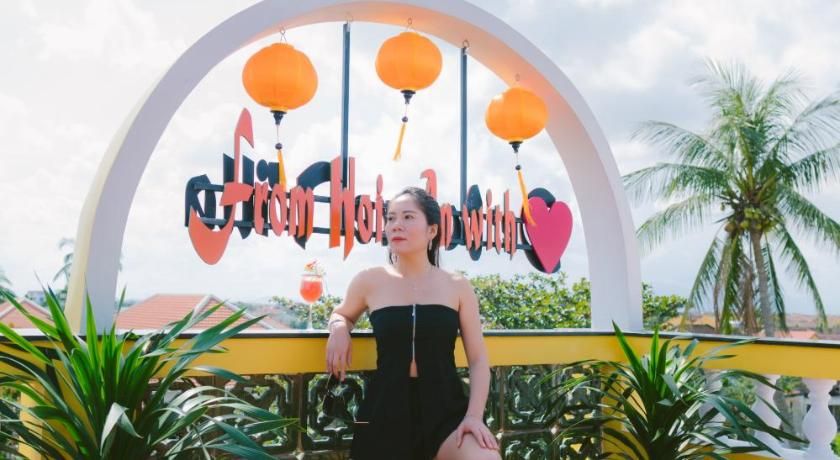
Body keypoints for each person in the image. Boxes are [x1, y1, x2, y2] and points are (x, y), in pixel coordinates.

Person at [325, 186, 502, 460]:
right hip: (384, 412)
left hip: (446, 413)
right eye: (391, 218)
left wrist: (474, 417)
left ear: (432, 230)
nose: (396, 225)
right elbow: (342, 314)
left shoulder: (457, 286)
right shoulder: (369, 280)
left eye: (408, 217)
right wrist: (338, 328)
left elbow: (478, 360)